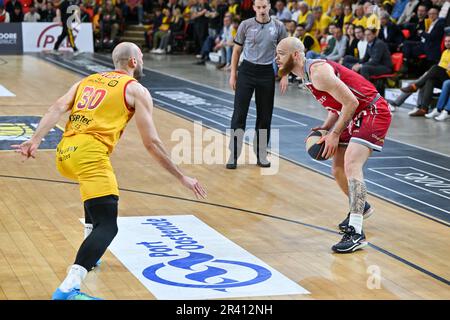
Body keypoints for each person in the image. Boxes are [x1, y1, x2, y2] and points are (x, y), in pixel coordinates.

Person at [12, 42, 207, 300]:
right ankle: (70, 286)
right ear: (134, 62)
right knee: (109, 225)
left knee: (95, 195)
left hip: (64, 153)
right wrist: (181, 176)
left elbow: (56, 108)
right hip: (90, 155)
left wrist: (35, 140)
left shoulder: (88, 80)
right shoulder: (136, 90)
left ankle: (91, 256)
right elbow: (152, 144)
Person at [276, 37, 392, 253]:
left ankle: (356, 233)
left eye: (281, 53)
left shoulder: (318, 73)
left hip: (372, 111)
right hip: (353, 113)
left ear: (295, 55)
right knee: (337, 168)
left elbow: (352, 102)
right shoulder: (307, 76)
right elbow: (336, 105)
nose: (277, 57)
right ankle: (361, 206)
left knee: (351, 163)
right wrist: (326, 127)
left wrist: (335, 133)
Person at [227, 0, 288, 169]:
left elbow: (285, 52)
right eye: (258, 7)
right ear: (254, 8)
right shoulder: (245, 25)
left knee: (265, 117)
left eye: (264, 7)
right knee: (239, 115)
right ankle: (233, 154)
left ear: (269, 7)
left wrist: (284, 75)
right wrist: (233, 74)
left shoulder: (278, 26)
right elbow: (236, 51)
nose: (262, 10)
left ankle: (261, 154)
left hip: (266, 73)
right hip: (246, 71)